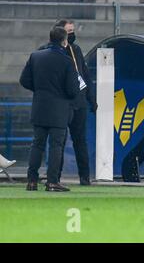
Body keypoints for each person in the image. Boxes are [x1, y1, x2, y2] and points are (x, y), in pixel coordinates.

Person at [20, 27, 80, 192]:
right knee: (56, 145)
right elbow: (73, 90)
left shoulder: (36, 57)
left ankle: (31, 181)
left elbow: (24, 80)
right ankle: (52, 182)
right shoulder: (67, 61)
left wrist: (40, 90)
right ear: (64, 41)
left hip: (40, 106)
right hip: (59, 110)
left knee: (37, 144)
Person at [53, 19, 96, 185]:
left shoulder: (76, 50)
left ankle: (84, 178)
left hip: (79, 103)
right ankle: (55, 177)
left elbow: (85, 76)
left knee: (80, 142)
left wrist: (91, 99)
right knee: (60, 141)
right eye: (68, 31)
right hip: (63, 104)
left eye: (73, 31)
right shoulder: (54, 51)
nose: (72, 34)